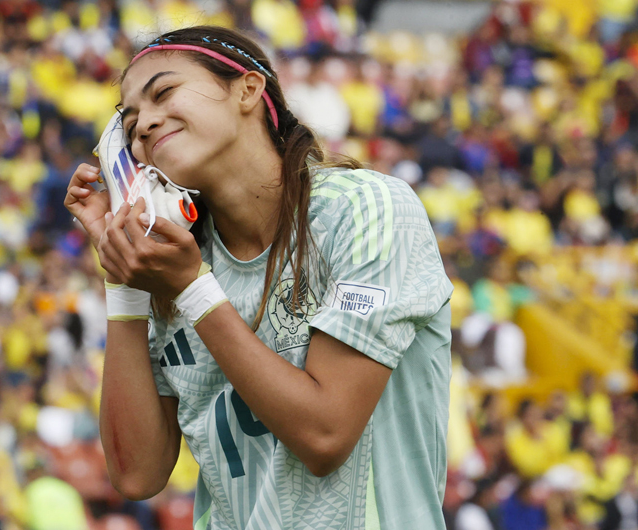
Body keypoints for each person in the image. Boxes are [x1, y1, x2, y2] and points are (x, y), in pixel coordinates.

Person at [65, 25, 453, 530]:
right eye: (130, 121)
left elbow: (325, 436)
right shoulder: (177, 260)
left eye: (164, 93)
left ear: (248, 89)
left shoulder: (367, 208)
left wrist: (192, 290)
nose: (143, 126)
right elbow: (137, 475)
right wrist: (125, 281)